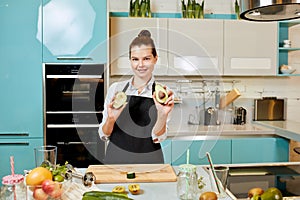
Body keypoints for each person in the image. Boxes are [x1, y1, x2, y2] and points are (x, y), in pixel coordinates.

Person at [98, 30, 174, 164]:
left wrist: (162, 114)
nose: (140, 65)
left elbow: (158, 137)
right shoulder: (116, 89)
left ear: (155, 59)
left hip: (150, 162)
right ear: (130, 60)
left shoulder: (163, 94)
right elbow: (104, 134)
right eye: (135, 59)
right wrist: (111, 119)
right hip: (116, 160)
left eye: (146, 59)